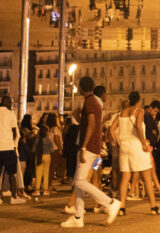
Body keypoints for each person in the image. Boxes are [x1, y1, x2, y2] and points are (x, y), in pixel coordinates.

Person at [61, 77, 121, 227]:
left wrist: (83, 147)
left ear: (81, 88)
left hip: (89, 147)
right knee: (79, 182)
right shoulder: (92, 101)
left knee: (80, 181)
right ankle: (78, 217)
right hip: (91, 146)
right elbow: (89, 123)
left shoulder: (90, 102)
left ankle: (110, 203)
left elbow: (93, 124)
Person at [110, 91, 160, 216]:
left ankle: (122, 207)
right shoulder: (139, 111)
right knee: (147, 176)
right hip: (136, 146)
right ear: (139, 101)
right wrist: (143, 142)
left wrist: (117, 142)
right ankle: (153, 207)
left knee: (125, 177)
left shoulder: (121, 113)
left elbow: (111, 129)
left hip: (124, 147)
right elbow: (138, 126)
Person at [0, 95, 25, 205]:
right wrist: (11, 142)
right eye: (11, 103)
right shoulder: (10, 114)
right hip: (7, 147)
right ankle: (14, 197)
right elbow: (14, 132)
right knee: (12, 173)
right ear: (8, 103)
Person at [33, 116, 56, 196]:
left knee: (38, 173)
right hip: (47, 156)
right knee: (46, 173)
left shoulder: (37, 139)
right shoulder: (48, 139)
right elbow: (52, 149)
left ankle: (37, 190)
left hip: (39, 156)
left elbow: (33, 149)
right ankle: (45, 190)